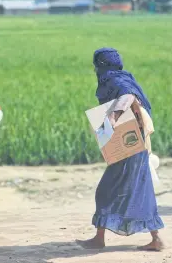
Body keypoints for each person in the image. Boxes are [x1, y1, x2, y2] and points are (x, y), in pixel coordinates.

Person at [76, 48, 164, 251]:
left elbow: (128, 96)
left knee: (106, 190)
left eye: (97, 65)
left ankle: (99, 239)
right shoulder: (123, 77)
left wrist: (113, 116)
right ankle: (156, 238)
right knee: (141, 190)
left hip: (129, 147)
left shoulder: (115, 81)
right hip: (134, 142)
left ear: (102, 65)